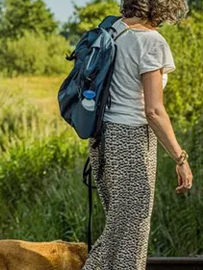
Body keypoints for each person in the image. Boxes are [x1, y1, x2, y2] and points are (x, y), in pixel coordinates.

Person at [83, 0, 193, 269]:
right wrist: (181, 158)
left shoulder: (114, 30)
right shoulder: (152, 42)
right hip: (131, 140)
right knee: (128, 235)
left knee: (120, 229)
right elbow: (154, 111)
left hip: (103, 138)